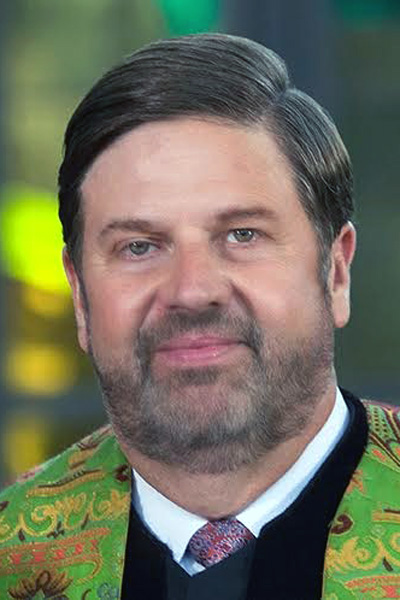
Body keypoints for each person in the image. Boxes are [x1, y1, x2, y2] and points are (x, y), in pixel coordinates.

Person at [0, 33, 399, 600]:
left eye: (242, 234)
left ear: (335, 271)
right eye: (139, 246)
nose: (192, 291)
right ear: (81, 297)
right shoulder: (11, 556)